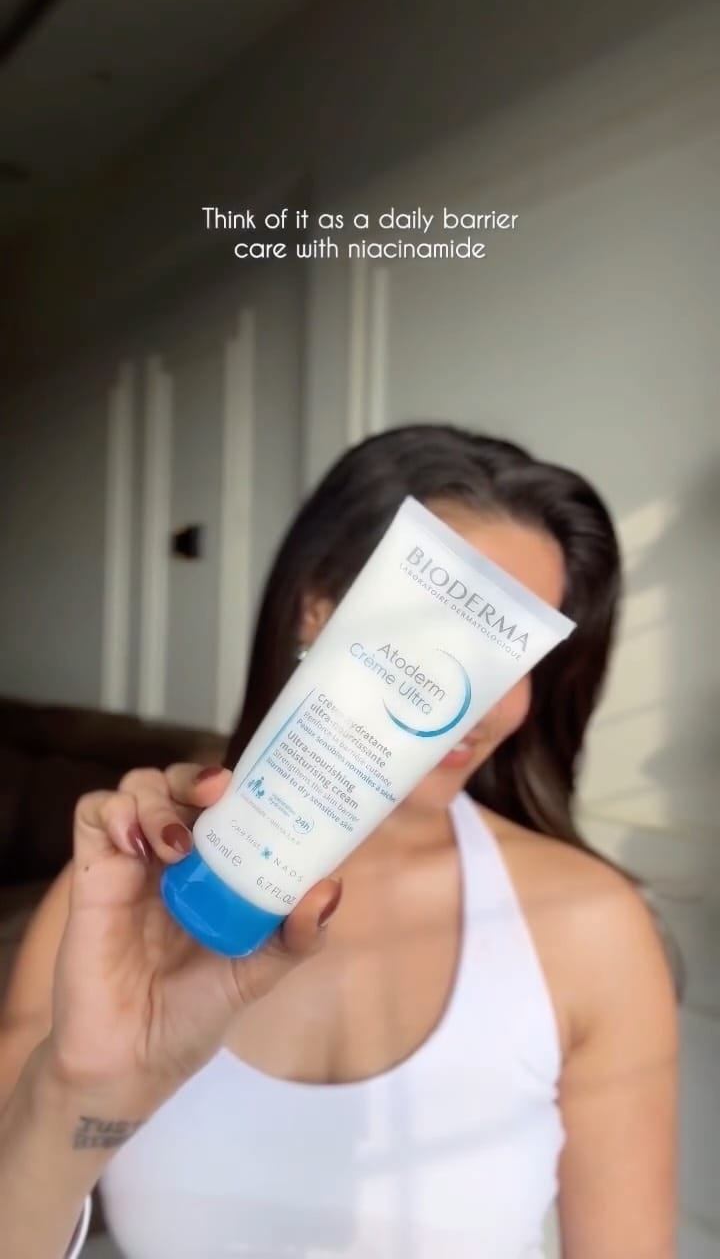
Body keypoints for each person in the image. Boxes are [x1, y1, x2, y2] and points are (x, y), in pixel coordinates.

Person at [0, 425, 677, 1259]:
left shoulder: (591, 925)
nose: (469, 694)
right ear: (318, 608)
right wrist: (78, 1091)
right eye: (438, 625)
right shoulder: (124, 894)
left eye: (512, 647)